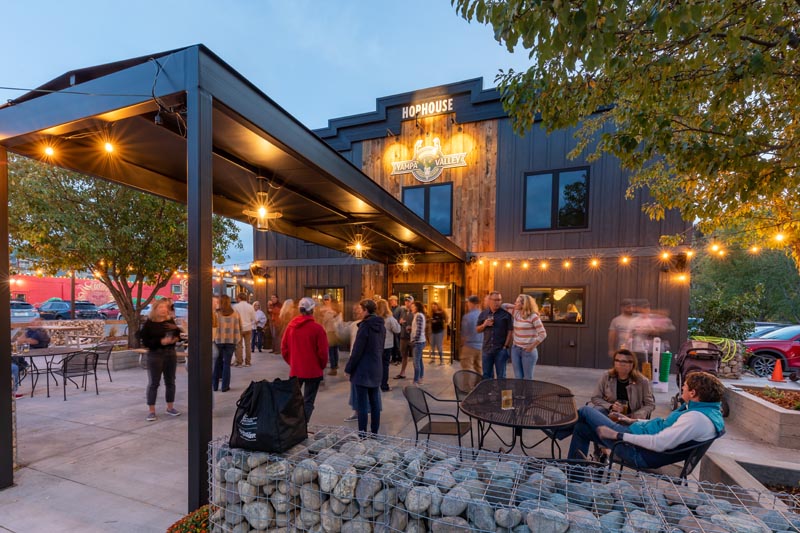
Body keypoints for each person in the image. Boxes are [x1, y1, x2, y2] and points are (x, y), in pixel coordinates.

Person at [567, 371, 725, 468]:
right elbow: (663, 426)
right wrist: (632, 421)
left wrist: (617, 435)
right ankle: (574, 477)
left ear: (693, 393)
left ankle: (556, 430)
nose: (682, 387)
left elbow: (659, 442)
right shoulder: (707, 412)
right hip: (640, 442)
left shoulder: (696, 419)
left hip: (639, 453)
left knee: (586, 411)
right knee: (582, 429)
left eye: (684, 385)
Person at [281, 297, 329, 422]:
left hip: (296, 370)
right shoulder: (318, 329)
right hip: (313, 371)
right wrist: (321, 366)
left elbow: (284, 348)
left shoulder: (291, 327)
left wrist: (292, 362)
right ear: (312, 310)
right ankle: (302, 426)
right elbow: (323, 353)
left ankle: (292, 425)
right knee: (308, 401)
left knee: (294, 399)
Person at [345, 299, 385, 434]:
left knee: (362, 404)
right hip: (376, 368)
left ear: (366, 310)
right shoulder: (381, 326)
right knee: (374, 404)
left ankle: (362, 434)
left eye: (361, 310)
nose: (359, 312)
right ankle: (375, 433)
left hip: (363, 370)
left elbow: (357, 351)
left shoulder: (365, 326)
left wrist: (349, 368)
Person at [139, 299, 183, 421]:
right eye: (161, 308)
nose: (164, 310)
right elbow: (145, 341)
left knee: (170, 381)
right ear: (155, 310)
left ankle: (170, 407)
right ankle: (151, 411)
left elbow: (178, 335)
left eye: (165, 308)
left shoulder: (170, 321)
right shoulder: (149, 324)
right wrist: (160, 342)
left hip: (170, 354)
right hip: (155, 355)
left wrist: (175, 339)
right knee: (154, 383)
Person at [590, 349, 655, 419]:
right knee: (588, 413)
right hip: (610, 415)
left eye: (624, 361)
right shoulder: (607, 376)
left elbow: (650, 404)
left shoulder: (642, 381)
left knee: (586, 413)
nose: (619, 363)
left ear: (632, 364)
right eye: (617, 360)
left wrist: (640, 413)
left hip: (631, 417)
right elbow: (595, 397)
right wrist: (611, 406)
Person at [476, 291, 513, 379]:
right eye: (495, 300)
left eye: (499, 300)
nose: (497, 302)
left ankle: (500, 393)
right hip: (487, 349)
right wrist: (484, 325)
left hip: (500, 350)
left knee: (501, 376)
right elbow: (477, 330)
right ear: (490, 300)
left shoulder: (506, 315)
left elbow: (510, 331)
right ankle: (489, 393)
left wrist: (505, 346)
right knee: (487, 375)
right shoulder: (484, 314)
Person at [511, 294, 547, 380]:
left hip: (528, 351)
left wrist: (532, 346)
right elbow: (504, 306)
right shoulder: (516, 313)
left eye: (517, 302)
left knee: (527, 378)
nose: (514, 303)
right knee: (518, 377)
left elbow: (543, 334)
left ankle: (527, 394)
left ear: (523, 304)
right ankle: (519, 393)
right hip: (515, 349)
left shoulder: (533, 317)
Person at [212, 295, 241, 393]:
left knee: (217, 363)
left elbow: (213, 328)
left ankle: (214, 386)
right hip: (231, 341)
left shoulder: (216, 313)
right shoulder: (235, 314)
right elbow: (238, 328)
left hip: (218, 341)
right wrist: (237, 340)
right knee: (226, 364)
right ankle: (225, 387)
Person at [376, 298, 401, 392]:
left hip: (375, 345)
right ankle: (384, 386)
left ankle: (375, 384)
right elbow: (397, 330)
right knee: (385, 365)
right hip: (386, 345)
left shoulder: (374, 318)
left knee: (376, 365)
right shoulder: (390, 318)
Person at [318, 294, 342, 376]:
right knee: (334, 349)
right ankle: (335, 365)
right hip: (330, 331)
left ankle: (333, 368)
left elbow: (325, 320)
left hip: (331, 331)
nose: (326, 301)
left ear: (330, 300)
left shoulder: (332, 310)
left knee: (332, 350)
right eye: (325, 299)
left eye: (327, 299)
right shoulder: (323, 309)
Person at [460, 295, 483, 374]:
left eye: (468, 302)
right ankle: (480, 385)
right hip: (480, 345)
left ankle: (467, 386)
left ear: (472, 304)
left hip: (469, 345)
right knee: (479, 367)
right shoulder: (483, 315)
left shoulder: (467, 317)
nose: (467, 304)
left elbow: (464, 333)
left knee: (467, 368)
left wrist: (462, 345)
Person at [394, 295, 414, 380]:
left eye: (408, 301)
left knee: (416, 357)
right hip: (403, 336)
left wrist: (411, 327)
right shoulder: (402, 311)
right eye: (406, 301)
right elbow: (399, 321)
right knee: (404, 355)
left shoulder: (415, 312)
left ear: (412, 302)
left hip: (412, 338)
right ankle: (402, 373)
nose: (407, 302)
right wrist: (400, 322)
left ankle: (418, 376)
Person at [232, 293, 256, 367]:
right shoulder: (250, 307)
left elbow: (233, 318)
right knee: (248, 345)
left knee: (239, 345)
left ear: (239, 298)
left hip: (239, 328)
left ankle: (239, 362)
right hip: (248, 328)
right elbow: (253, 319)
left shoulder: (235, 306)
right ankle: (248, 362)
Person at [410, 301, 427, 386]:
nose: (411, 308)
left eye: (413, 307)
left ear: (417, 307)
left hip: (418, 342)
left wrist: (414, 340)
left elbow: (419, 330)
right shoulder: (418, 315)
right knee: (419, 360)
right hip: (420, 341)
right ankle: (420, 378)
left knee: (416, 362)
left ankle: (416, 380)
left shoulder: (419, 316)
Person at [388, 295, 402, 364]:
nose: (390, 302)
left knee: (397, 344)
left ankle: (398, 358)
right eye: (390, 301)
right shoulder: (390, 309)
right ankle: (393, 358)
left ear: (395, 301)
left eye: (391, 300)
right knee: (392, 344)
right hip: (391, 329)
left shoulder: (400, 309)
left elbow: (401, 319)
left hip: (397, 329)